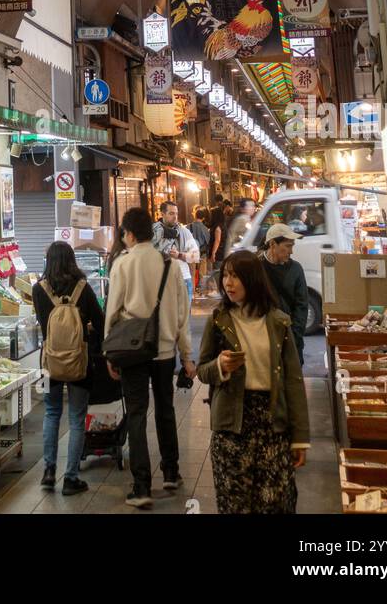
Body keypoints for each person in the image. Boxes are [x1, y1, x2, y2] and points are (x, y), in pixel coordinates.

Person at [196, 249, 309, 514]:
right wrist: (219, 367)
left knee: (276, 502)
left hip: (272, 424)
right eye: (225, 276)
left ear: (253, 279)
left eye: (235, 277)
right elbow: (202, 369)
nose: (228, 283)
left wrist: (300, 438)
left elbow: (293, 381)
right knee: (235, 504)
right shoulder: (218, 320)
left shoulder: (279, 322)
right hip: (231, 425)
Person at [104, 207, 195, 509]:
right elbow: (182, 314)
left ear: (129, 234)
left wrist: (109, 352)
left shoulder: (122, 264)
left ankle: (141, 486)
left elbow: (113, 311)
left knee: (137, 414)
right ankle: (171, 472)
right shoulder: (168, 264)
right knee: (165, 410)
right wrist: (187, 354)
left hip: (133, 351)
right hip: (165, 351)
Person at [32, 241, 104, 496]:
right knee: (76, 418)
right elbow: (100, 320)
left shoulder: (38, 289)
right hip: (79, 361)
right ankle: (70, 478)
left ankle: (49, 472)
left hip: (48, 363)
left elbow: (43, 324)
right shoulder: (83, 288)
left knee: (51, 413)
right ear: (72, 260)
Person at [262, 225, 309, 364]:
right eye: (288, 246)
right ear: (272, 244)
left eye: (292, 246)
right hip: (263, 342)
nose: (291, 251)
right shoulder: (256, 267)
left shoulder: (296, 269)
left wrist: (293, 336)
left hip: (291, 340)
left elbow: (302, 306)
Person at [152, 200, 200, 336]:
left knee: (183, 321)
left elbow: (196, 256)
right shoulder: (153, 232)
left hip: (183, 280)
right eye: (171, 213)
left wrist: (179, 255)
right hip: (160, 281)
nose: (175, 217)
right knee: (164, 321)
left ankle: (184, 354)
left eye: (176, 213)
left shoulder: (184, 232)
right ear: (162, 214)